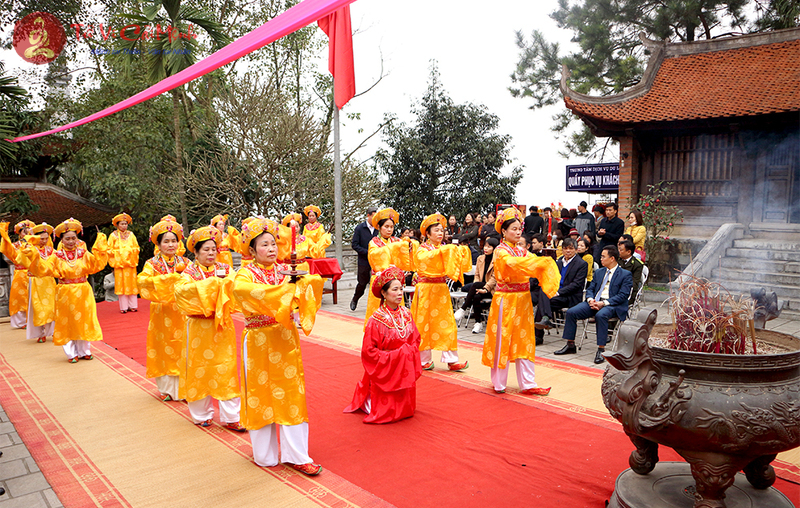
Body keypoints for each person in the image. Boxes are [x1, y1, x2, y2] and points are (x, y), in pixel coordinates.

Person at [232, 218, 325, 475]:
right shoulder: (244, 274)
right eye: (264, 244)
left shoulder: (284, 271)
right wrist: (286, 292)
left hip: (284, 337)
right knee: (260, 394)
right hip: (258, 338)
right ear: (251, 250)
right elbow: (245, 293)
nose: (272, 248)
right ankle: (265, 454)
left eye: (274, 243)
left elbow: (306, 289)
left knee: (291, 393)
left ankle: (298, 455)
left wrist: (301, 285)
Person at [482, 207, 559, 395]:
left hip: (522, 299)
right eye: (513, 229)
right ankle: (499, 382)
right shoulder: (501, 251)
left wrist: (542, 264)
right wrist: (541, 263)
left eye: (519, 229)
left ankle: (528, 383)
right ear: (504, 231)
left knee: (525, 339)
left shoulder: (521, 250)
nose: (517, 232)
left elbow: (531, 261)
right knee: (503, 339)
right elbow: (513, 264)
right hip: (506, 300)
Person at [174, 226, 242, 430]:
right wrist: (215, 285)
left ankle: (232, 417)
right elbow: (182, 294)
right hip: (198, 327)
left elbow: (235, 286)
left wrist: (213, 286)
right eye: (206, 249)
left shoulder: (225, 269)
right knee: (199, 370)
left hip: (222, 327)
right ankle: (201, 414)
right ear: (195, 252)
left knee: (226, 368)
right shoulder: (188, 273)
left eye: (214, 249)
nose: (211, 253)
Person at [20, 218, 108, 362]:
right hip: (65, 291)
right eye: (67, 239)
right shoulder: (56, 256)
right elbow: (44, 268)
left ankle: (84, 350)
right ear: (61, 240)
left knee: (84, 321)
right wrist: (33, 255)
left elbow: (97, 264)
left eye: (74, 238)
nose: (71, 241)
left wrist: (101, 245)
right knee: (67, 322)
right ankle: (71, 353)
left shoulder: (83, 253)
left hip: (83, 291)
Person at [345, 266, 422, 424]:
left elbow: (415, 339)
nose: (400, 293)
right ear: (383, 293)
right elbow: (369, 352)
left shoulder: (406, 313)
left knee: (406, 411)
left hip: (403, 366)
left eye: (401, 288)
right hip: (385, 369)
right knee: (384, 410)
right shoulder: (376, 320)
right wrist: (397, 355)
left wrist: (407, 352)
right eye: (395, 289)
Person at [137, 219, 190, 402]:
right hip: (161, 311)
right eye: (166, 241)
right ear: (158, 244)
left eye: (173, 241)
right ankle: (167, 389)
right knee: (163, 347)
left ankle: (184, 388)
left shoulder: (186, 262)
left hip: (182, 310)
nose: (170, 245)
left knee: (182, 346)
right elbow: (143, 282)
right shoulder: (151, 264)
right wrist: (172, 281)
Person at [411, 213, 471, 371]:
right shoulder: (422, 249)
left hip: (441, 289)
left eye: (442, 230)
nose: (440, 233)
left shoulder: (445, 249)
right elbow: (425, 260)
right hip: (425, 289)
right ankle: (424, 359)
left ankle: (452, 360)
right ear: (427, 234)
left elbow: (458, 261)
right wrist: (447, 250)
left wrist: (460, 251)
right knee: (424, 324)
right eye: (436, 230)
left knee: (448, 324)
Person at [555, 245, 633, 364]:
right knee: (571, 312)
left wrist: (604, 303)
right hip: (595, 302)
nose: (600, 259)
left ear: (612, 259)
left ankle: (601, 349)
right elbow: (590, 288)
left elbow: (623, 295)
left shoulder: (625, 274)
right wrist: (590, 299)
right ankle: (570, 344)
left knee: (601, 315)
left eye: (603, 256)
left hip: (612, 304)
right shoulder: (599, 272)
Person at [363, 208, 414, 327]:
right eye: (386, 226)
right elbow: (374, 258)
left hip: (395, 283)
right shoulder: (374, 242)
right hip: (380, 282)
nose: (389, 229)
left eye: (391, 227)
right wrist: (394, 248)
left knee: (397, 310)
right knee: (377, 310)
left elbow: (405, 254)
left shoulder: (397, 241)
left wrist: (409, 247)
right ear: (379, 228)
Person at [534, 238, 588, 344]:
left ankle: (539, 335)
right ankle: (545, 319)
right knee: (543, 291)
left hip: (570, 296)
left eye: (571, 248)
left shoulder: (581, 264)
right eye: (565, 248)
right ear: (562, 250)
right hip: (555, 295)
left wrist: (558, 293)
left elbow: (576, 284)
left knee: (543, 302)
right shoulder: (558, 262)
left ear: (576, 250)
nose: (568, 251)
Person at [454, 237, 498, 334]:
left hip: (490, 289)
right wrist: (478, 288)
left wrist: (485, 289)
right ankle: (478, 323)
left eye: (489, 247)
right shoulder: (480, 258)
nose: (485, 249)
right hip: (479, 287)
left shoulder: (497, 261)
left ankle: (463, 308)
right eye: (485, 246)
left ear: (494, 249)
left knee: (475, 287)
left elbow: (494, 278)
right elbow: (477, 275)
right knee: (476, 296)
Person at [0, 220, 35, 328]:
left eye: (29, 231)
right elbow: (6, 248)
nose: (26, 234)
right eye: (24, 231)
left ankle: (37, 320)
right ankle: (21, 322)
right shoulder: (15, 246)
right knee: (19, 297)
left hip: (34, 273)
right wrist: (4, 231)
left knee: (35, 297)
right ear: (19, 233)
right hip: (20, 273)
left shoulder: (37, 245)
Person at [108, 212, 140, 314]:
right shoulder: (113, 236)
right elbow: (109, 249)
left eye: (125, 223)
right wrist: (120, 253)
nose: (124, 226)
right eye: (122, 224)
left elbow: (136, 247)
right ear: (117, 225)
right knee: (121, 285)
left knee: (131, 284)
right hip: (120, 264)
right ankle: (124, 307)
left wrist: (130, 252)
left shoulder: (131, 235)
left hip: (130, 263)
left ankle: (133, 305)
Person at [350, 207, 378, 311]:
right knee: (362, 283)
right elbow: (354, 244)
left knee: (376, 282)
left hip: (376, 261)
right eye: (373, 216)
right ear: (368, 215)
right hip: (364, 260)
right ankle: (355, 298)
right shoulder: (360, 228)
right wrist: (366, 252)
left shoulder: (378, 228)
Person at [617, 239, 644, 306]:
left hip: (627, 292)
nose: (619, 252)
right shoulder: (616, 260)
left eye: (621, 250)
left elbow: (634, 283)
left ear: (629, 252)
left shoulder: (637, 264)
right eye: (619, 249)